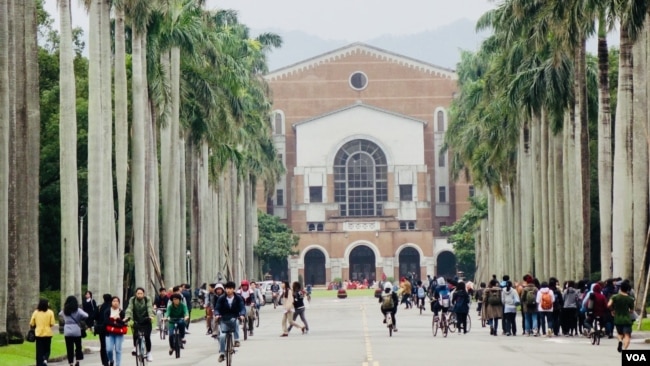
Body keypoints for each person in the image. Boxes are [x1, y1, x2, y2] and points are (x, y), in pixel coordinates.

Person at [214, 281, 246, 363]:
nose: (228, 290)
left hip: (234, 317)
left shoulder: (238, 298)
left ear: (233, 289)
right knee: (222, 336)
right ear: (225, 289)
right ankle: (222, 354)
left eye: (230, 288)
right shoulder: (221, 298)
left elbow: (242, 308)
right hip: (223, 318)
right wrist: (217, 314)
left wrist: (242, 314)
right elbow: (217, 308)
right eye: (227, 288)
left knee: (236, 322)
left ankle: (236, 340)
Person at [124, 287, 155, 362]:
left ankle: (149, 353)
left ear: (143, 294)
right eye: (138, 293)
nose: (140, 295)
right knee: (135, 334)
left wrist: (151, 316)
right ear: (136, 294)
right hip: (137, 320)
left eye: (141, 293)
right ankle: (135, 347)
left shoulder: (147, 299)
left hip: (146, 320)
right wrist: (127, 316)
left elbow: (149, 308)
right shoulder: (132, 299)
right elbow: (129, 308)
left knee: (147, 337)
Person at [59, 295, 88, 366]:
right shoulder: (78, 310)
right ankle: (77, 360)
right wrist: (80, 319)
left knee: (69, 348)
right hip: (76, 330)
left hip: (67, 330)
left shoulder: (64, 310)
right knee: (78, 346)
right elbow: (86, 315)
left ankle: (71, 363)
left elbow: (59, 314)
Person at [608, 280, 635, 352]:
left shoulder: (614, 297)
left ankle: (620, 341)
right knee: (627, 336)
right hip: (627, 319)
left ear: (620, 288)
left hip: (618, 319)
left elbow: (609, 305)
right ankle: (625, 349)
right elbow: (632, 310)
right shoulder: (630, 299)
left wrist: (612, 310)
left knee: (619, 334)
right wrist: (627, 311)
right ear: (628, 290)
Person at [30, 298, 55, 366]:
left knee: (39, 351)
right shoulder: (50, 312)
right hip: (48, 333)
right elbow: (52, 323)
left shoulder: (36, 312)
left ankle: (39, 363)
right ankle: (45, 359)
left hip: (38, 333)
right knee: (47, 349)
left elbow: (32, 323)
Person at [104, 296, 127, 366]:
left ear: (119, 303)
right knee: (109, 350)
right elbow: (106, 322)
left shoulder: (121, 312)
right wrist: (116, 323)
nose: (115, 302)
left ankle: (118, 364)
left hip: (119, 333)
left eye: (117, 301)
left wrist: (116, 320)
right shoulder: (107, 311)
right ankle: (111, 360)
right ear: (111, 302)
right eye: (114, 301)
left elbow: (123, 323)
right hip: (109, 333)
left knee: (118, 350)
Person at [94, 294, 112, 366]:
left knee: (103, 345)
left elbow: (94, 316)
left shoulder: (99, 307)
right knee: (110, 345)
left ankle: (104, 362)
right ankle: (110, 359)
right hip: (110, 328)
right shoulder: (111, 307)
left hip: (101, 328)